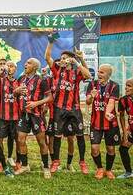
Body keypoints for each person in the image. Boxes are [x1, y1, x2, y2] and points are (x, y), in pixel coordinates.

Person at [45, 37, 91, 175]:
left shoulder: (76, 72)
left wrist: (78, 61)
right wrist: (51, 42)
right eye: (61, 58)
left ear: (70, 60)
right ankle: (56, 162)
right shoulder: (57, 69)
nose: (62, 60)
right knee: (57, 136)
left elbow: (88, 74)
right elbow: (47, 57)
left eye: (65, 58)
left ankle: (82, 162)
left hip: (75, 109)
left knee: (79, 136)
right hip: (59, 109)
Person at [14, 58, 52, 178]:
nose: (25, 64)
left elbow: (50, 98)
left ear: (35, 67)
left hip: (37, 115)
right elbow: (14, 93)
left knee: (41, 142)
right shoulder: (21, 79)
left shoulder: (42, 80)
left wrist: (36, 103)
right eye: (26, 62)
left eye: (29, 63)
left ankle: (46, 167)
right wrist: (17, 91)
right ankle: (25, 165)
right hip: (23, 114)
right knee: (20, 140)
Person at [86, 64, 120, 180]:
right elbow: (88, 102)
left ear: (108, 74)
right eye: (98, 72)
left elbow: (111, 102)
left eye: (102, 72)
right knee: (94, 148)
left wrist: (107, 113)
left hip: (110, 122)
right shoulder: (92, 84)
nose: (99, 74)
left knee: (110, 149)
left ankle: (109, 170)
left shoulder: (115, 86)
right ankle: (100, 168)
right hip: (95, 123)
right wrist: (91, 96)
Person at [0, 61, 19, 167]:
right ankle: (1, 159)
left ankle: (10, 158)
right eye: (7, 66)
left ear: (15, 69)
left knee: (13, 138)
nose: (9, 68)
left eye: (11, 66)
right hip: (3, 116)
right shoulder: (2, 80)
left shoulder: (19, 81)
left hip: (15, 116)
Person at [117, 78, 133, 179]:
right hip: (131, 130)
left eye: (129, 86)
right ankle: (128, 172)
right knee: (123, 149)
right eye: (126, 85)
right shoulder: (123, 100)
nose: (126, 88)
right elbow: (122, 116)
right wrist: (124, 131)